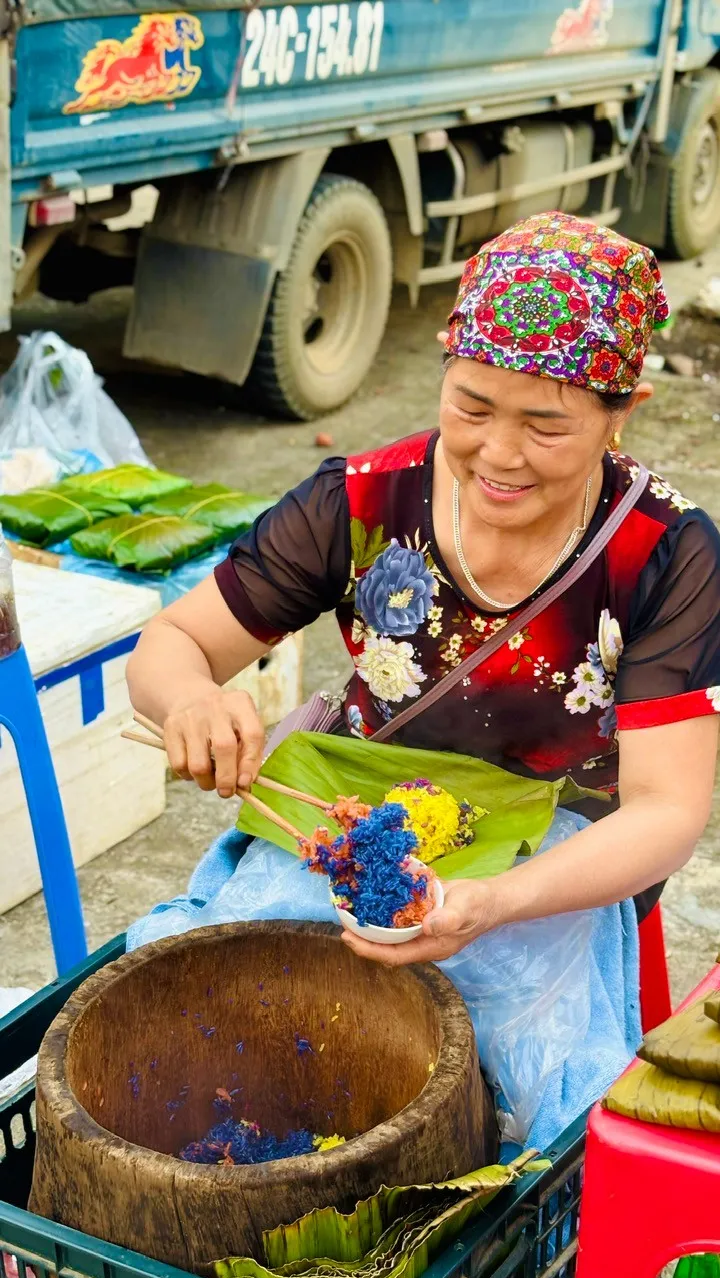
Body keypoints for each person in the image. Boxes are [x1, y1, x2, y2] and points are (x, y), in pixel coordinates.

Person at [128, 211, 720, 969]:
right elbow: (173, 642)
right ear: (445, 367)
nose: (499, 455)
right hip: (365, 826)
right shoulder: (361, 502)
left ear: (622, 413)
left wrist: (498, 902)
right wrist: (191, 701)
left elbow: (667, 809)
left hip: (556, 870)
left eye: (545, 427)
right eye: (472, 408)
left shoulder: (665, 553)